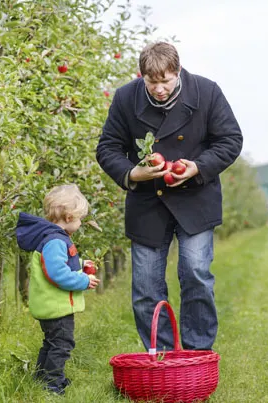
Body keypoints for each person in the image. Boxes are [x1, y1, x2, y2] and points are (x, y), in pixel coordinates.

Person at [96, 42, 243, 352]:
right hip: (148, 202)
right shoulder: (126, 98)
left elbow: (230, 140)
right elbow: (107, 148)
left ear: (178, 72)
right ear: (142, 77)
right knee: (146, 287)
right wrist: (132, 174)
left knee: (195, 274)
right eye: (152, 82)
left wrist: (198, 167)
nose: (159, 89)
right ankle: (160, 356)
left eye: (166, 81)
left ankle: (196, 352)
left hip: (195, 198)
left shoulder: (206, 92)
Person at [15, 184, 100, 395]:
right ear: (70, 217)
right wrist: (83, 280)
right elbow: (57, 274)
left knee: (51, 342)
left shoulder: (53, 238)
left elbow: (60, 264)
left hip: (51, 304)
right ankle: (51, 385)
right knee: (62, 343)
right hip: (56, 305)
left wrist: (80, 264)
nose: (81, 223)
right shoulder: (55, 240)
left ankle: (43, 377)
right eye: (80, 219)